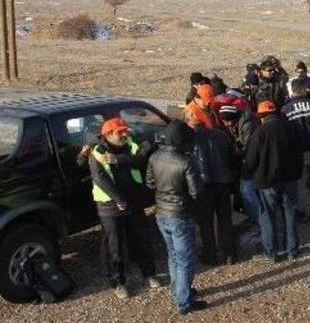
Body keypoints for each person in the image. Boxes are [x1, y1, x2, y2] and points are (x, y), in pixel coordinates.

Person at [88, 118, 159, 299]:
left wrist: (118, 160)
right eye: (120, 132)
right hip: (110, 207)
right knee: (115, 246)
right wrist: (118, 199)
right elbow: (100, 178)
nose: (125, 134)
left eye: (125, 130)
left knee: (142, 238)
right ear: (108, 135)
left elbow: (141, 160)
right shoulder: (97, 152)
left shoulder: (130, 144)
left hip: (133, 201)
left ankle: (149, 273)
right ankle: (118, 282)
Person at [145, 120, 207, 315]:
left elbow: (149, 183)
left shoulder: (154, 157)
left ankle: (178, 289)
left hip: (161, 213)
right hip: (181, 214)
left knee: (173, 255)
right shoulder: (186, 161)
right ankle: (184, 301)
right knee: (186, 259)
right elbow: (196, 192)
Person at [244, 101, 303, 262]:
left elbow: (251, 160)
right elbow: (300, 153)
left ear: (262, 117)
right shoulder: (292, 128)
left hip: (267, 182)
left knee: (267, 216)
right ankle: (292, 250)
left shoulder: (260, 132)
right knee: (289, 214)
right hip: (290, 179)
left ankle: (270, 253)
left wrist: (249, 174)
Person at [186, 107, 238, 266]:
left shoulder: (190, 140)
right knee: (225, 220)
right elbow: (233, 158)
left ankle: (211, 255)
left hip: (203, 186)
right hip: (223, 183)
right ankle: (230, 253)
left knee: (206, 223)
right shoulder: (221, 135)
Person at [283, 79, 310, 218]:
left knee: (300, 182)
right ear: (303, 90)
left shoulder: (286, 110)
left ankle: (302, 211)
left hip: (298, 151)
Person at [219, 105, 259, 225]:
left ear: (232, 118)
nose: (225, 124)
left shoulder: (247, 125)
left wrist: (232, 153)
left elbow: (247, 147)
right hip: (245, 160)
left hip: (251, 161)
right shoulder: (239, 123)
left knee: (247, 191)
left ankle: (257, 220)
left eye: (226, 121)